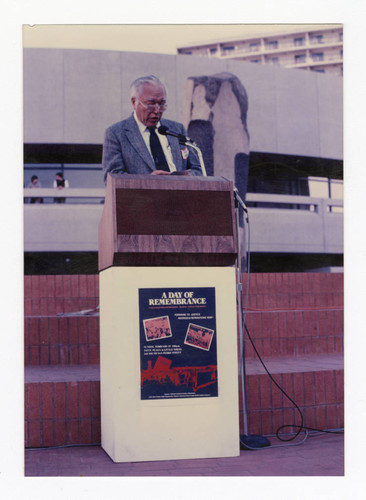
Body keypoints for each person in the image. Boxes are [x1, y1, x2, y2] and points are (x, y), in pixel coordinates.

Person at [102, 75, 203, 183]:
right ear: (134, 102)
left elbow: (197, 171)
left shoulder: (177, 130)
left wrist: (180, 178)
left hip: (179, 196)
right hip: (142, 198)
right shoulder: (116, 133)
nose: (157, 110)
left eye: (162, 104)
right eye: (150, 104)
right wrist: (148, 181)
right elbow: (112, 179)